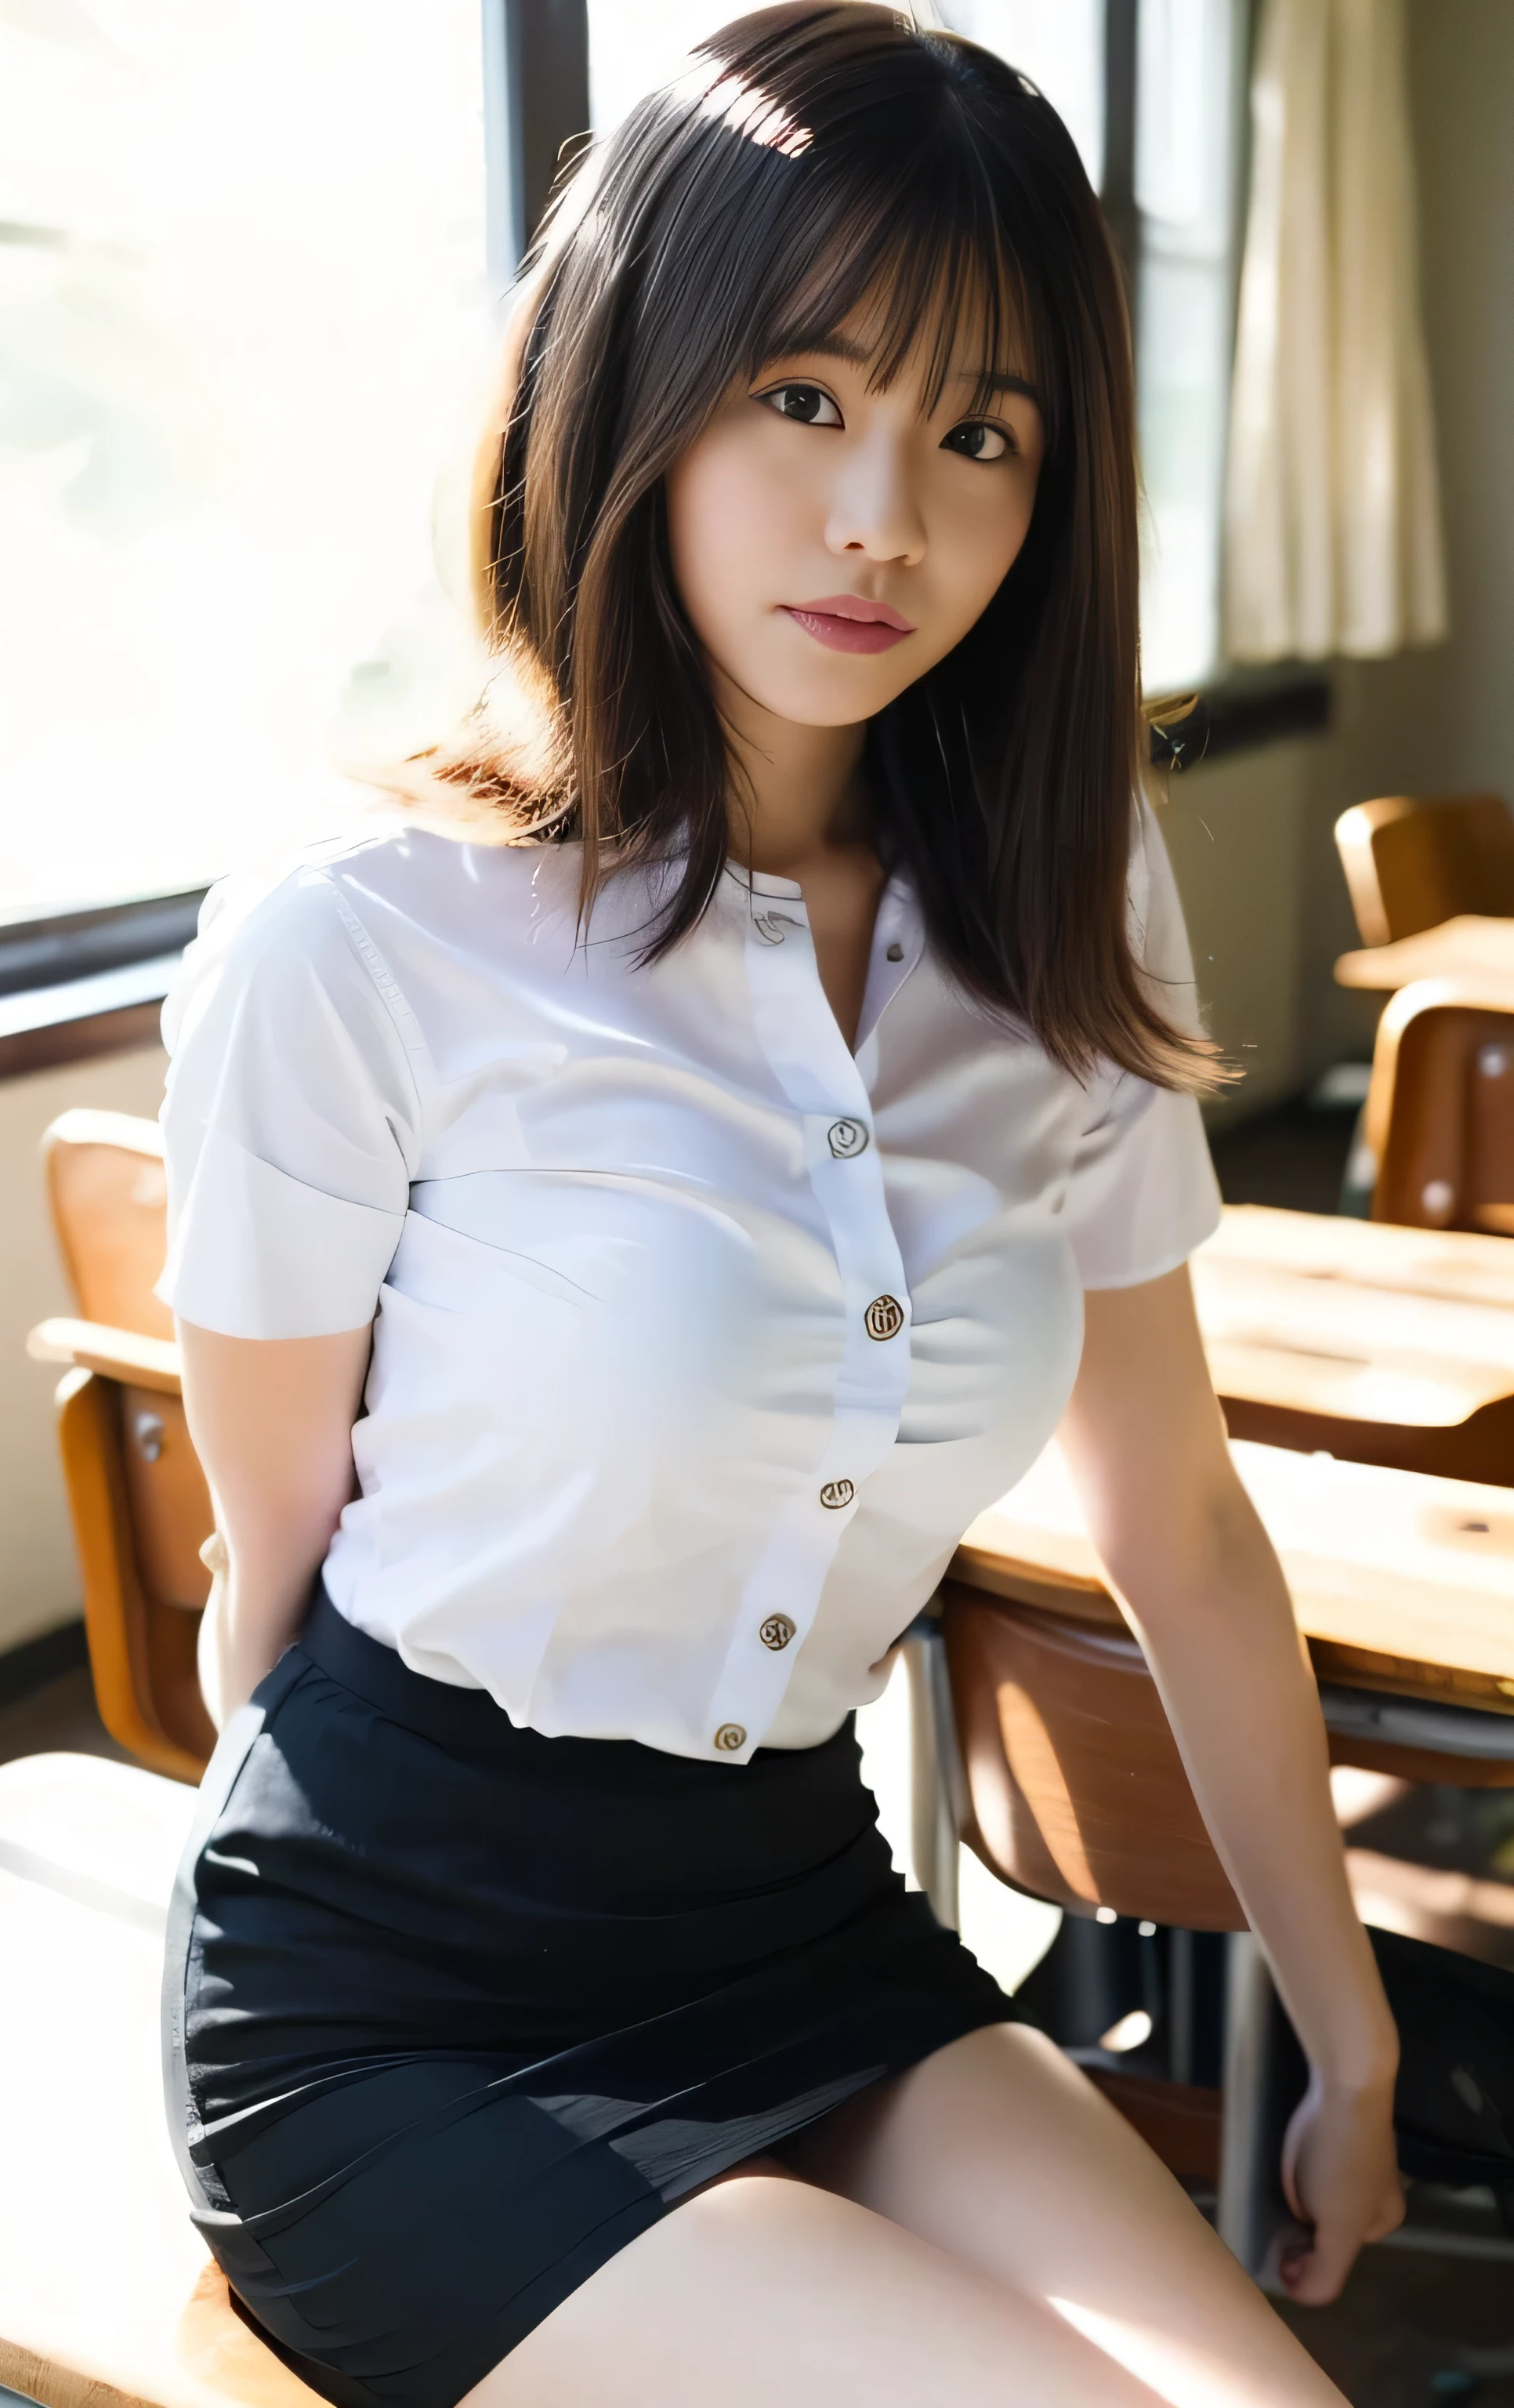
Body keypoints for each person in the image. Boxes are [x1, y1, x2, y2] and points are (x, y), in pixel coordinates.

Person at [158, 9, 1404, 2403]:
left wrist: (1341, 2031)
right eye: (806, 396)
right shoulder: (365, 929)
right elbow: (273, 1578)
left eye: (982, 434)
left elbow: (1183, 1518)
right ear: (635, 384)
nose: (886, 520)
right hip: (397, 2013)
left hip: (807, 1925)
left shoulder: (1061, 898)